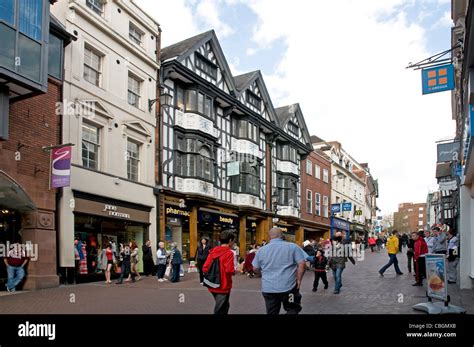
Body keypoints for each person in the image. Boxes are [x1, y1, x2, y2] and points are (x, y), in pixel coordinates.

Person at [252, 227, 307, 314]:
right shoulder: (293, 247)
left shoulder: (261, 250)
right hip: (289, 288)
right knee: (292, 309)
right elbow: (302, 264)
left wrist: (262, 274)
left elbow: (255, 268)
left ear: (269, 237)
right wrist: (299, 279)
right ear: (282, 236)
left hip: (269, 289)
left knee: (272, 312)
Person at [203, 229, 236, 315]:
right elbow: (229, 270)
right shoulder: (229, 253)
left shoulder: (213, 251)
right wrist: (234, 270)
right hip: (223, 285)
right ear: (230, 240)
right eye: (233, 241)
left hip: (212, 283)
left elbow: (205, 268)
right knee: (221, 309)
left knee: (224, 306)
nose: (233, 243)